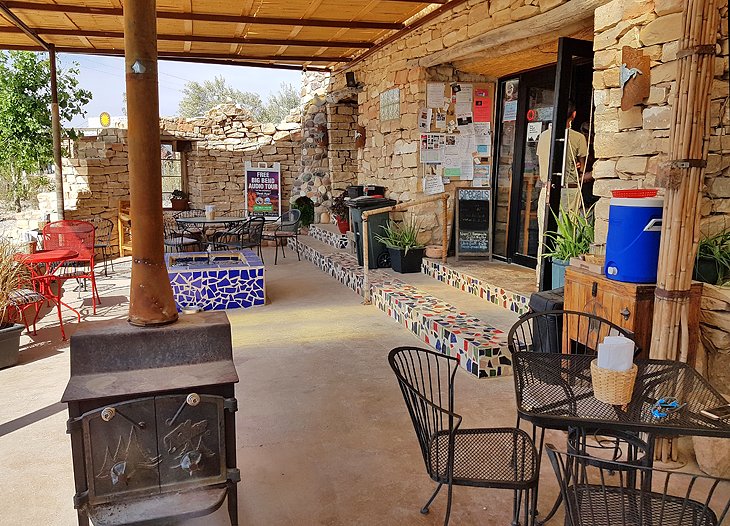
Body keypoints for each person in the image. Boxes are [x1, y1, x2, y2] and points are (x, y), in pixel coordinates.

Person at [535, 101, 588, 261]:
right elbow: (582, 170)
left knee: (543, 236)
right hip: (568, 191)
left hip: (546, 189)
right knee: (565, 236)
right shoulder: (578, 138)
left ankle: (541, 276)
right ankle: (559, 274)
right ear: (574, 115)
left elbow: (542, 164)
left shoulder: (543, 136)